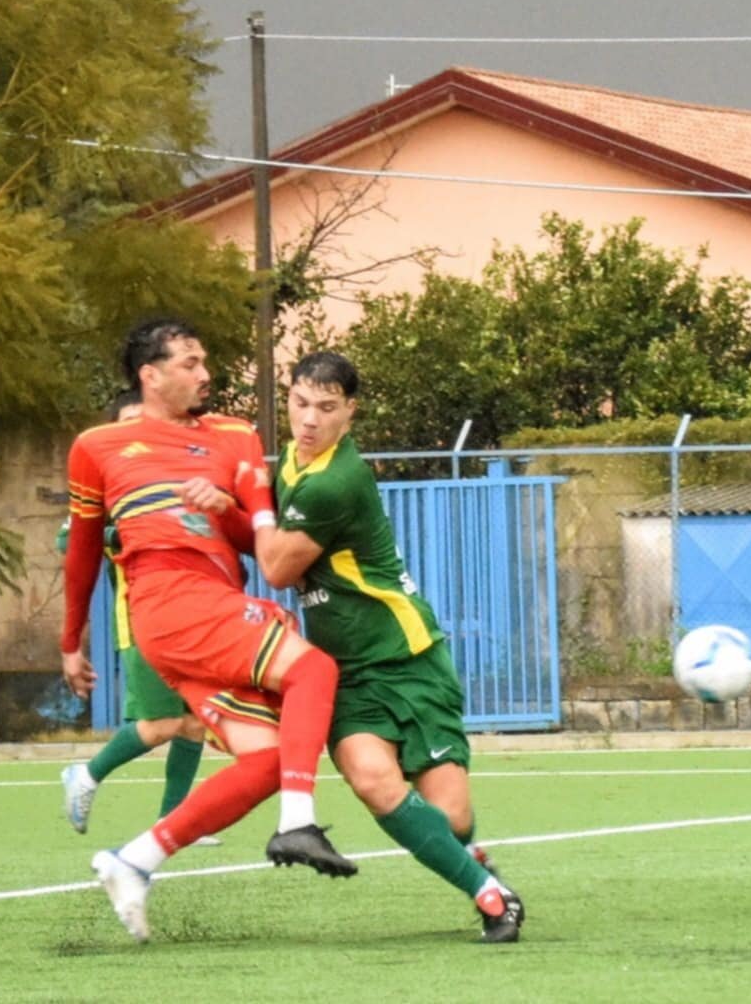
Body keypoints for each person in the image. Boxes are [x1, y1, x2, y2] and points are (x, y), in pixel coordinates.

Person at [189, 351, 524, 944]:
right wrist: (234, 513)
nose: (309, 419)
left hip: (406, 656)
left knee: (450, 820)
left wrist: (248, 509)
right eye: (299, 403)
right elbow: (282, 546)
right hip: (345, 671)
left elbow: (277, 569)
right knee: (373, 780)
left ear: (350, 410)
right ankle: (492, 896)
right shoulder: (294, 460)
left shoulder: (336, 480)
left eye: (326, 407)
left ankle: (475, 863)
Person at [61, 318, 357, 942]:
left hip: (210, 601)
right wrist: (70, 642)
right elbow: (83, 550)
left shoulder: (236, 435)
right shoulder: (97, 445)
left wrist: (228, 510)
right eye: (190, 363)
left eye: (204, 362)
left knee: (272, 758)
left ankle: (135, 859)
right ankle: (298, 821)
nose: (205, 374)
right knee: (314, 668)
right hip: (168, 599)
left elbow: (264, 543)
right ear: (151, 375)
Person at [57, 390, 219, 846]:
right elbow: (68, 543)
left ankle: (174, 820)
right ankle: (85, 774)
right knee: (165, 724)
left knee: (195, 722)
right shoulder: (105, 482)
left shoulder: (167, 476)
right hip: (142, 622)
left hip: (189, 618)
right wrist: (119, 530)